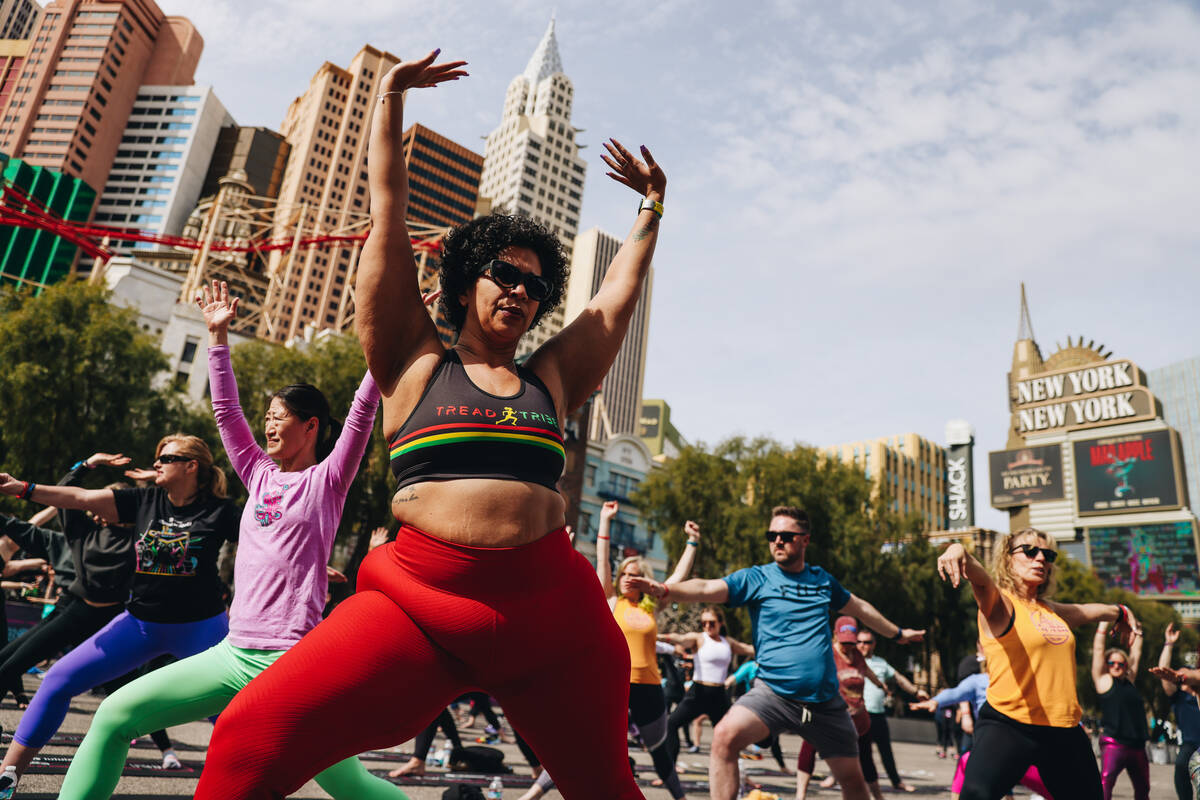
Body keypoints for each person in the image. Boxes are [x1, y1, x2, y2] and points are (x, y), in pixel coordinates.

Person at [192, 47, 666, 800]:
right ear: (466, 278)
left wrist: (651, 209)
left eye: (536, 284)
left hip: (555, 616)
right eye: (504, 274)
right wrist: (388, 99)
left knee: (608, 787)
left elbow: (614, 301)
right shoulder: (412, 362)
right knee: (248, 736)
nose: (521, 290)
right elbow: (387, 209)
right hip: (418, 606)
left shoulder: (551, 378)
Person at [55, 280, 406, 800]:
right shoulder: (258, 474)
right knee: (113, 716)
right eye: (265, 416)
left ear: (311, 427)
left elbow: (361, 412)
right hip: (234, 653)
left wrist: (388, 338)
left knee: (343, 782)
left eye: (278, 416)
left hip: (292, 661)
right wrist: (217, 336)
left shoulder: (328, 480)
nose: (266, 424)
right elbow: (226, 414)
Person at [628, 505, 925, 800]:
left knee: (853, 780)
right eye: (772, 535)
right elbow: (706, 587)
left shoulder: (822, 581)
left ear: (805, 539)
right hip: (773, 695)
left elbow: (859, 606)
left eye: (785, 535)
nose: (777, 541)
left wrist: (898, 634)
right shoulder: (757, 579)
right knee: (723, 738)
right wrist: (666, 590)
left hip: (824, 703)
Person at [0, 432, 239, 797]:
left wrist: (312, 566)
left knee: (232, 715)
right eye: (157, 457)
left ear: (191, 466)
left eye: (166, 458)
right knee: (57, 680)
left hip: (201, 629)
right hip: (141, 624)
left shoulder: (220, 511)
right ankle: (8, 775)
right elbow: (78, 498)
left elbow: (267, 545)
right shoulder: (143, 500)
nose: (157, 463)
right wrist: (23, 488)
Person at [936, 529, 1141, 800]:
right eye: (1030, 551)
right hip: (1009, 724)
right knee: (977, 795)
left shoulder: (1051, 610)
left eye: (1048, 554)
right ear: (1007, 559)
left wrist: (1120, 612)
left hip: (1064, 729)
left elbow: (1086, 610)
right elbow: (981, 580)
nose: (1040, 559)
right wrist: (958, 551)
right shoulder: (1000, 604)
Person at [518, 501, 699, 800]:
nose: (629, 576)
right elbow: (602, 561)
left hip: (649, 687)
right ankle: (530, 797)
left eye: (635, 573)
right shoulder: (612, 600)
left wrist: (692, 542)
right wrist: (604, 520)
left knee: (659, 752)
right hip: (613, 685)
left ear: (644, 580)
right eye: (625, 572)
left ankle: (680, 798)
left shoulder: (651, 605)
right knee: (578, 745)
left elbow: (677, 580)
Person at [909, 650, 1051, 800]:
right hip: (991, 743)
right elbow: (955, 693)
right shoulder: (978, 681)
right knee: (967, 764)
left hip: (1019, 744)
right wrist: (935, 701)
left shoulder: (1021, 680)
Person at [795, 617, 886, 800]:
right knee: (809, 749)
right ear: (835, 635)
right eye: (844, 642)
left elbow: (866, 671)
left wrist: (881, 685)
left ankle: (878, 797)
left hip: (858, 716)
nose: (848, 646)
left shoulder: (857, 655)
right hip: (828, 713)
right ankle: (800, 796)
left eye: (851, 642)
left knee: (865, 758)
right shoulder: (827, 653)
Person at [659, 605, 754, 764]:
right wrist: (657, 636)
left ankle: (730, 771)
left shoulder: (727, 642)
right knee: (672, 724)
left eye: (712, 622)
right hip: (698, 692)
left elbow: (748, 649)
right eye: (704, 623)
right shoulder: (699, 638)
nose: (707, 626)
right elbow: (680, 638)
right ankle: (671, 770)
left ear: (721, 623)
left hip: (719, 695)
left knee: (728, 735)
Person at [855, 629, 926, 792]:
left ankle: (896, 782)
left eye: (866, 642)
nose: (862, 645)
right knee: (851, 750)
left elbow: (899, 678)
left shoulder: (881, 663)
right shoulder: (849, 659)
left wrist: (916, 692)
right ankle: (834, 777)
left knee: (885, 750)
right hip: (856, 714)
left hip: (877, 714)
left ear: (874, 644)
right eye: (859, 642)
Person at [1092, 617, 1148, 800]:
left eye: (1121, 664)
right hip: (1114, 742)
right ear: (1106, 665)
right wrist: (1104, 622)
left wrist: (1136, 630)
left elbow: (1136, 652)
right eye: (1111, 663)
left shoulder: (1129, 681)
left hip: (1137, 744)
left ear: (1125, 666)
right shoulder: (1104, 681)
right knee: (1105, 783)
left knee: (1143, 789)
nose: (1116, 666)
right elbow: (1099, 650)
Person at [1157, 623, 1200, 800]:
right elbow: (1165, 675)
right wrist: (1169, 644)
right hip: (1191, 744)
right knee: (1181, 765)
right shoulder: (1180, 694)